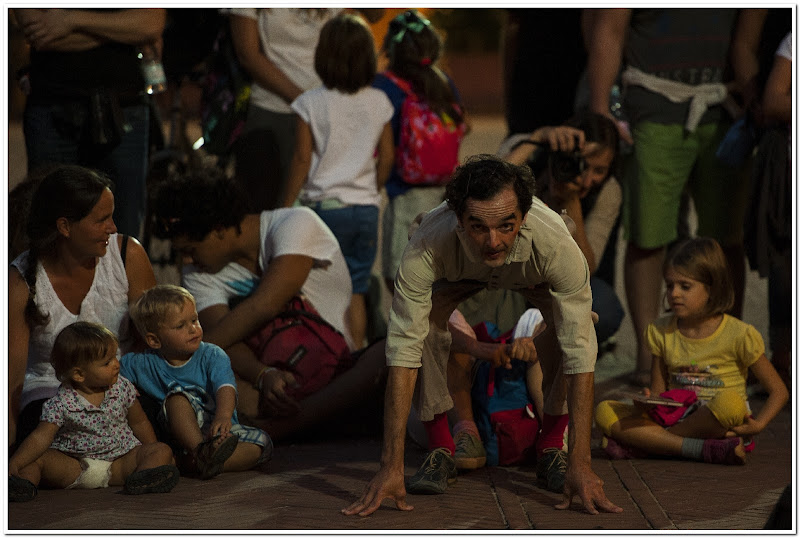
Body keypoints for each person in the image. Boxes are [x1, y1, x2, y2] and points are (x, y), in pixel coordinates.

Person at [342, 155, 622, 516]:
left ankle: (553, 444)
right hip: (455, 275)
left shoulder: (555, 244)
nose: (493, 241)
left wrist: (582, 464)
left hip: (534, 275)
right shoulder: (428, 243)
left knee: (573, 324)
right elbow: (402, 353)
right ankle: (442, 448)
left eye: (506, 226)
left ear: (523, 217)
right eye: (478, 227)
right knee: (419, 324)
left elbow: (581, 352)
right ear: (458, 221)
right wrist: (390, 465)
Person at [150, 167, 388, 441]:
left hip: (338, 374)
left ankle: (284, 429)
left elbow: (265, 305)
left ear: (217, 229)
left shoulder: (295, 223)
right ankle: (309, 424)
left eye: (190, 250)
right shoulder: (200, 273)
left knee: (386, 353)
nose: (188, 262)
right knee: (205, 388)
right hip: (277, 386)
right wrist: (263, 374)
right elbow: (224, 338)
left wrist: (182, 354)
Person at [587, 9, 748, 387]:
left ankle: (726, 349)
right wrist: (599, 108)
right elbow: (607, 28)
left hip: (724, 109)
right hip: (654, 107)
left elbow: (748, 35)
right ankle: (651, 357)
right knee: (647, 235)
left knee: (727, 238)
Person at [594, 237, 789, 464]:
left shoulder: (740, 334)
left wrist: (759, 424)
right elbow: (659, 392)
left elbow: (779, 391)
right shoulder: (661, 331)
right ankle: (700, 448)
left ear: (712, 289)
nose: (674, 293)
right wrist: (647, 402)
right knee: (605, 411)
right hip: (675, 417)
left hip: (716, 418)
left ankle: (649, 444)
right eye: (669, 285)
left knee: (731, 404)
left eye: (685, 286)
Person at [9, 164, 157, 450]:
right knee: (38, 436)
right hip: (50, 396)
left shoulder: (128, 255)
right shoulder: (20, 280)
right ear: (64, 226)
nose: (113, 228)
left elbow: (153, 339)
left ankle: (90, 468)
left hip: (119, 390)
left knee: (159, 417)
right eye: (102, 220)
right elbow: (12, 375)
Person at [280, 13, 394, 348]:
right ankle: (356, 354)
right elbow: (387, 156)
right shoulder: (379, 101)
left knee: (321, 289)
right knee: (356, 288)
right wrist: (373, 189)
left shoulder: (309, 103)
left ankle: (328, 355)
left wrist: (284, 206)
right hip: (365, 210)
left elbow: (302, 159)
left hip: (324, 212)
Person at [12, 8, 166, 238]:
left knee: (119, 232)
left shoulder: (66, 20)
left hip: (123, 109)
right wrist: (119, 32)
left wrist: (69, 20)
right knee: (51, 230)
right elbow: (36, 30)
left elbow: (149, 24)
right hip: (53, 106)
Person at [229, 8, 384, 211]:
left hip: (326, 114)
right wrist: (306, 102)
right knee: (261, 208)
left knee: (320, 211)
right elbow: (247, 54)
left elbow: (375, 14)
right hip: (271, 110)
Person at [8, 322, 179, 502]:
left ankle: (145, 478)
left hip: (119, 463)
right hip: (74, 465)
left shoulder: (122, 388)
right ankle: (22, 484)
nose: (116, 364)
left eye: (115, 357)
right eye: (107, 362)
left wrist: (149, 450)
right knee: (37, 460)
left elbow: (139, 422)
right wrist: (17, 462)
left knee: (161, 450)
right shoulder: (61, 402)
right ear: (79, 375)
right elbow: (40, 437)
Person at [121, 285, 272, 479]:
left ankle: (197, 463)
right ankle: (200, 452)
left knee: (261, 443)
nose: (193, 329)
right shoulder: (140, 363)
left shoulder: (212, 355)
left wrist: (224, 416)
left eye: (194, 320)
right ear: (154, 340)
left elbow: (225, 387)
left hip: (219, 427)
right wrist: (127, 388)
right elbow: (115, 378)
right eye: (180, 326)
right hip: (179, 435)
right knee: (177, 398)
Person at [500, 112, 624, 347]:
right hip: (507, 273)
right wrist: (538, 137)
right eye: (582, 165)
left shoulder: (609, 191)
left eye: (599, 170)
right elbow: (484, 186)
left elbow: (587, 268)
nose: (587, 180)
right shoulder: (532, 150)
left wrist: (570, 202)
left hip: (556, 281)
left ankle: (541, 346)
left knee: (605, 309)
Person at [373, 9, 469, 294]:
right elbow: (462, 126)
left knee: (400, 278)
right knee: (436, 276)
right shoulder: (443, 81)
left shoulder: (383, 86)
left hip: (404, 193)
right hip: (443, 192)